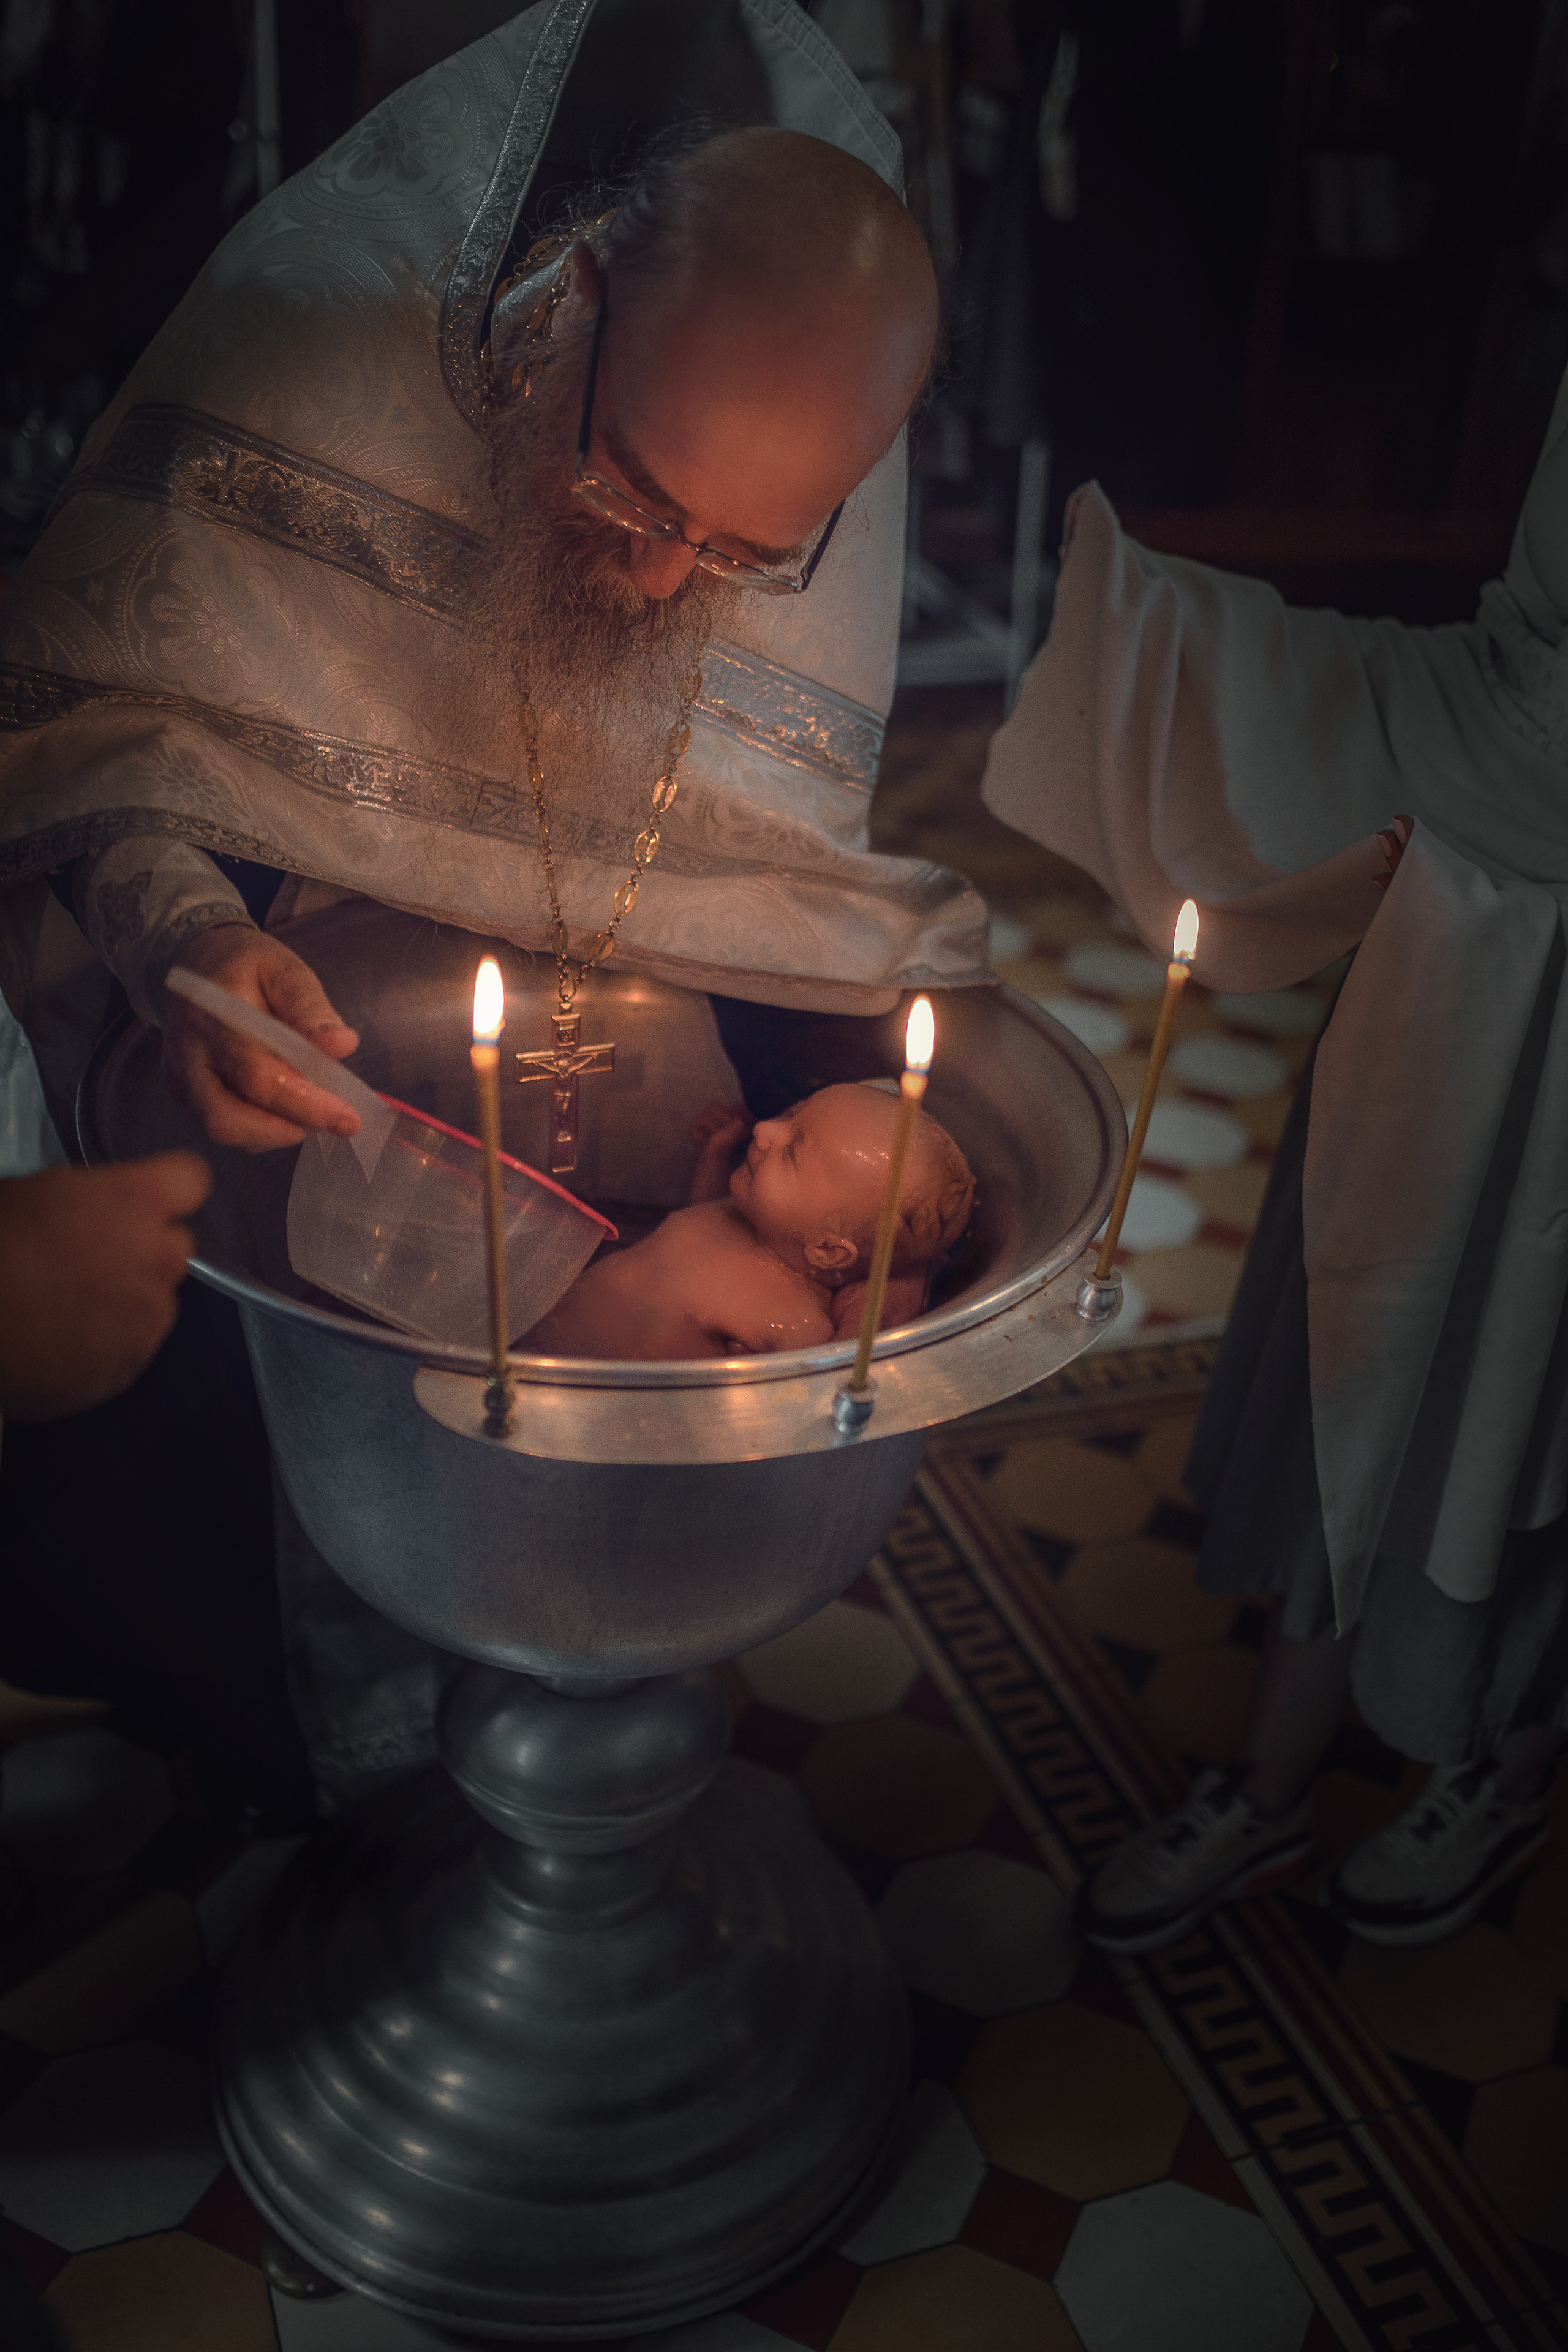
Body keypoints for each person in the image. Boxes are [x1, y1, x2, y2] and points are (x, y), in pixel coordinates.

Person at [0, 2, 989, 1811]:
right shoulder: (320, 346)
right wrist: (186, 943)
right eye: (637, 494)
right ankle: (324, 1796)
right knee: (263, 1607)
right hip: (294, 1079)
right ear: (578, 298)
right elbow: (87, 726)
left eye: (745, 553)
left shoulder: (799, 485)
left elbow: (777, 879)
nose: (668, 572)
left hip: (624, 1121)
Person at [981, 398, 1568, 1949]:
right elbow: (1526, 679)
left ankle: (1502, 1765)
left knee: (1534, 1404)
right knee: (1365, 1353)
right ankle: (1271, 1774)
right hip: (1464, 966)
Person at [530, 1084, 973, 1359]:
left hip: (600, 1395)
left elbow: (796, 1401)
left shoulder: (795, 1322)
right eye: (792, 1113)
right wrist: (716, 1153)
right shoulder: (739, 1213)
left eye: (794, 1151)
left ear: (828, 1249)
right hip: (538, 1327)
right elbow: (695, 1218)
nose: (764, 1130)